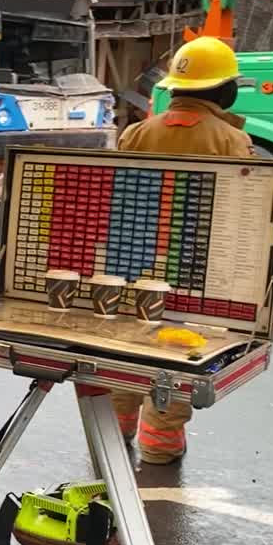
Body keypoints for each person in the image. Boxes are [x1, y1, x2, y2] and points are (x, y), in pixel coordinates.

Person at [110, 36, 254, 465]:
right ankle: (160, 445)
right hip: (195, 268)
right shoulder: (231, 141)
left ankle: (115, 433)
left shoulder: (136, 132)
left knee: (127, 343)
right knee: (175, 349)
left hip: (133, 261)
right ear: (222, 90)